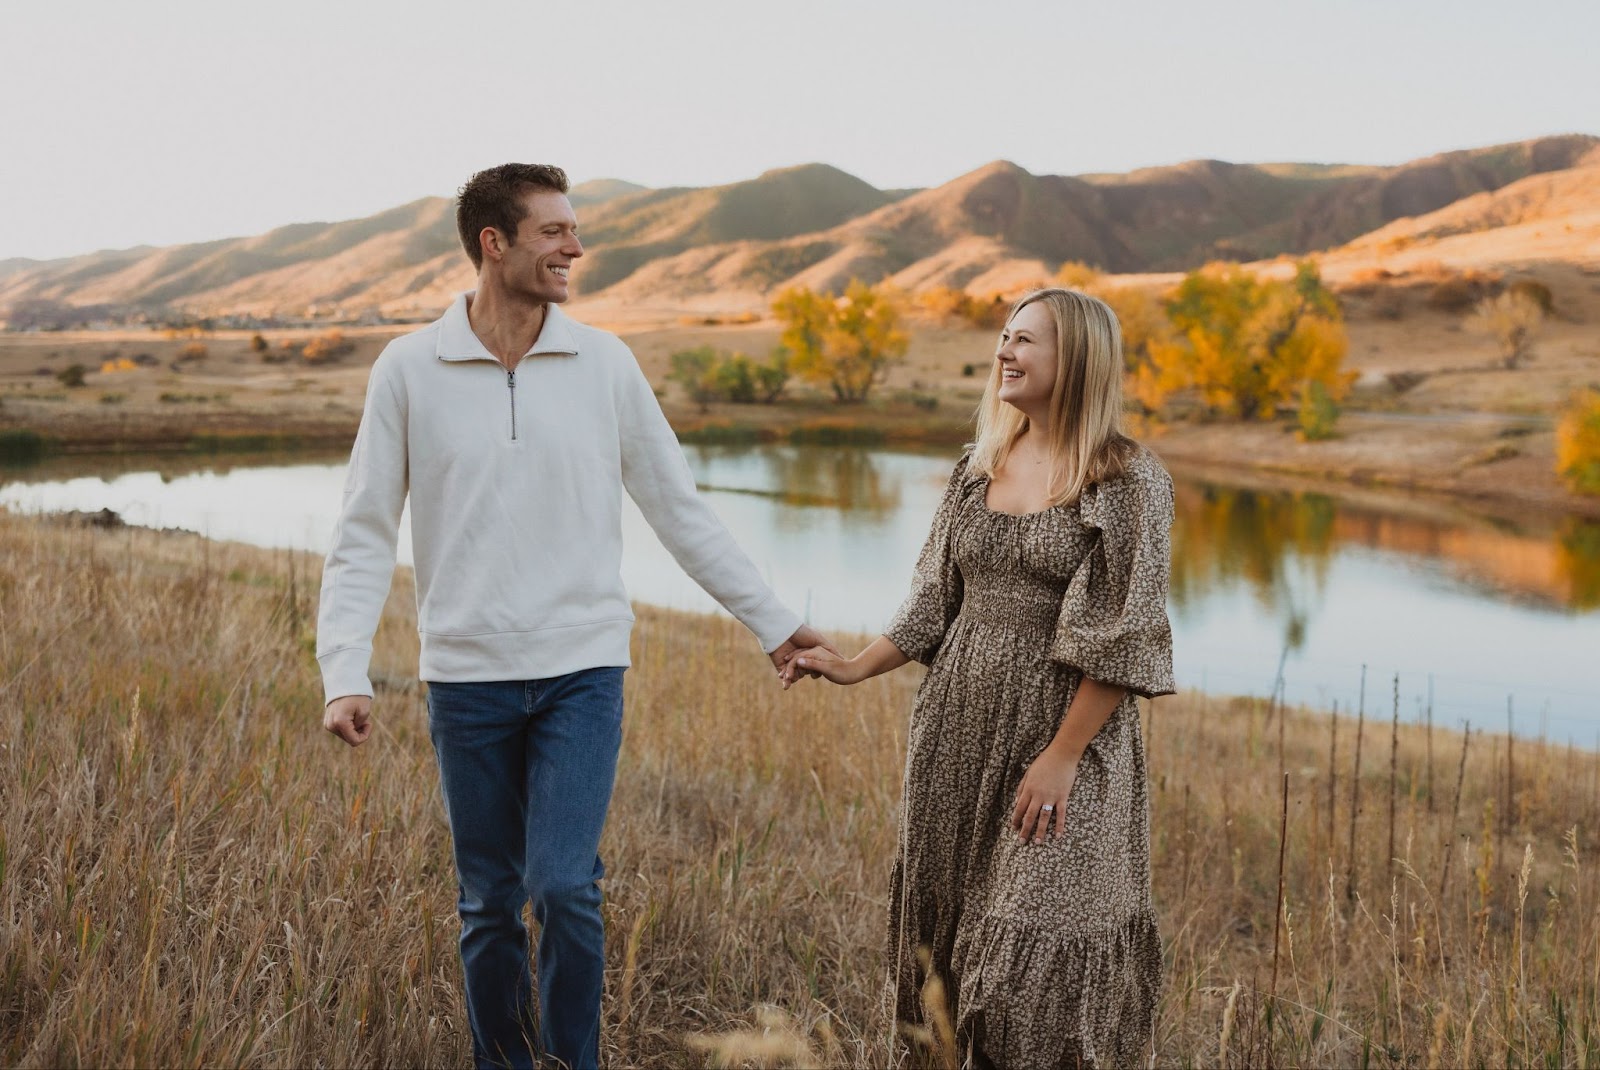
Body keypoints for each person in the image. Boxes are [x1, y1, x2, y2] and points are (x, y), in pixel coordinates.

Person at [315, 163, 832, 1070]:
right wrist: (344, 670)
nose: (575, 248)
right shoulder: (408, 368)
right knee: (487, 900)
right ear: (495, 243)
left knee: (562, 887)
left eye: (574, 230)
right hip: (465, 678)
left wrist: (774, 621)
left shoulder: (606, 364)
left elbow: (680, 509)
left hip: (582, 671)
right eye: (555, 232)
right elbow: (363, 529)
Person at [789, 288, 1174, 1068]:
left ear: (1081, 360)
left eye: (1027, 340)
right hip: (957, 729)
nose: (1005, 351)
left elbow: (1123, 638)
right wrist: (857, 666)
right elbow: (935, 599)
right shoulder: (978, 466)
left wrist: (1062, 755)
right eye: (1005, 336)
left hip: (1066, 742)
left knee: (1030, 959)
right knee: (946, 952)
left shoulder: (1127, 481)